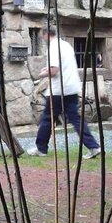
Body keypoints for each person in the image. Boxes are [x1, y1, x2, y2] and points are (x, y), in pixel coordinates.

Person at [27, 26, 101, 159]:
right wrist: (48, 68)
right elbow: (62, 66)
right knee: (76, 119)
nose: (42, 39)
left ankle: (41, 148)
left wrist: (42, 74)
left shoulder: (53, 48)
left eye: (42, 36)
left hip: (59, 90)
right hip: (71, 87)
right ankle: (93, 146)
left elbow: (54, 71)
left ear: (46, 34)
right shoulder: (66, 45)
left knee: (47, 119)